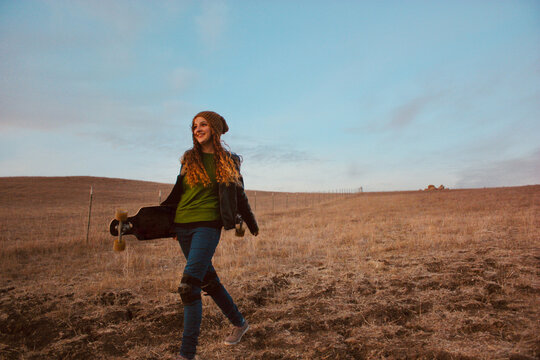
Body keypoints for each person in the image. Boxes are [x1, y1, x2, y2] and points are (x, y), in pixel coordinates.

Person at [161, 111, 259, 360]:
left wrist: (250, 222)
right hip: (183, 226)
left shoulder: (228, 161)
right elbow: (178, 193)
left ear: (214, 128)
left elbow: (239, 195)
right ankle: (240, 323)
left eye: (203, 124)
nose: (197, 129)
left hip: (207, 226)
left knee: (188, 287)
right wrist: (168, 225)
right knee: (208, 281)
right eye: (194, 126)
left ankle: (187, 354)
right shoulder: (188, 158)